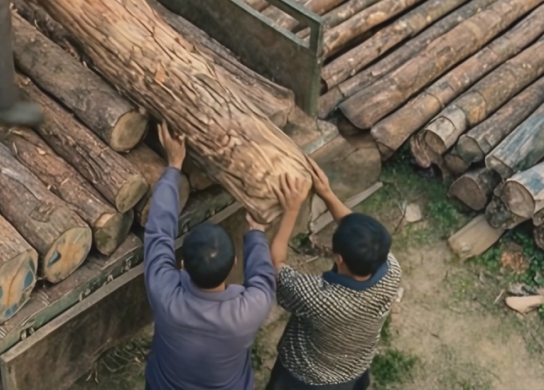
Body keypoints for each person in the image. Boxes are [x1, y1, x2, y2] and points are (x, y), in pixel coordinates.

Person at [143, 122, 278, 390]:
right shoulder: (250, 311)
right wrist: (256, 232)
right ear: (233, 264)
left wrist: (174, 166)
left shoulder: (165, 295)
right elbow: (263, 277)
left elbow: (158, 233)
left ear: (183, 265)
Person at [265, 158, 401, 390]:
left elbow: (275, 265)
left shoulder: (316, 296)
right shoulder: (391, 269)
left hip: (306, 377)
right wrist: (326, 193)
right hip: (353, 366)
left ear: (338, 259)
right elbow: (356, 231)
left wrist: (291, 210)